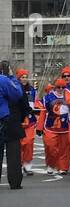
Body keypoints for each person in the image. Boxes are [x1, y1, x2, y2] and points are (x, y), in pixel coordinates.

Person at [0, 62, 27, 190]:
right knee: (13, 154)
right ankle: (15, 181)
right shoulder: (4, 80)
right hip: (9, 119)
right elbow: (18, 94)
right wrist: (11, 78)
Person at [42, 75, 70, 177]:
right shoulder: (47, 97)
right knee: (50, 146)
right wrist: (39, 127)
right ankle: (51, 164)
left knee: (65, 148)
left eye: (63, 87)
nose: (61, 89)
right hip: (50, 125)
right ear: (55, 87)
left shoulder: (69, 96)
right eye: (59, 87)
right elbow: (44, 110)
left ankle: (63, 167)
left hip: (65, 126)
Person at [15, 68, 38, 174]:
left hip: (30, 120)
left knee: (29, 142)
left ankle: (27, 163)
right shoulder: (14, 89)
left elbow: (35, 102)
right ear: (18, 78)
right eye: (22, 77)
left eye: (25, 77)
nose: (24, 79)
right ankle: (18, 163)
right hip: (18, 120)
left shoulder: (32, 89)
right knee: (18, 144)